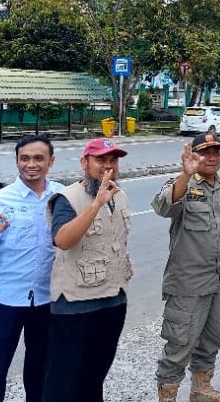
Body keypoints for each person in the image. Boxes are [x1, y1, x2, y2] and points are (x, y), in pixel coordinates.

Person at [152, 132, 220, 402]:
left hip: (217, 279)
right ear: (193, 156)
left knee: (211, 338)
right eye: (205, 152)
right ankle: (167, 396)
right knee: (180, 342)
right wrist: (186, 174)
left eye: (216, 152)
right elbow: (163, 207)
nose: (212, 157)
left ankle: (201, 390)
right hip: (187, 282)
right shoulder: (183, 184)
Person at [43, 138, 133, 402]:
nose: (108, 167)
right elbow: (62, 240)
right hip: (75, 304)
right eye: (101, 160)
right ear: (85, 163)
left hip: (113, 299)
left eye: (113, 160)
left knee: (95, 376)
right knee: (63, 381)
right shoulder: (67, 198)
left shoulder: (120, 195)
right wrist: (95, 205)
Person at [0, 135, 62, 402]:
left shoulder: (62, 196)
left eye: (38, 158)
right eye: (24, 158)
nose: (31, 164)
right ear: (17, 161)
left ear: (51, 161)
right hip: (4, 300)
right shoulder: (0, 200)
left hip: (47, 300)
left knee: (39, 369)